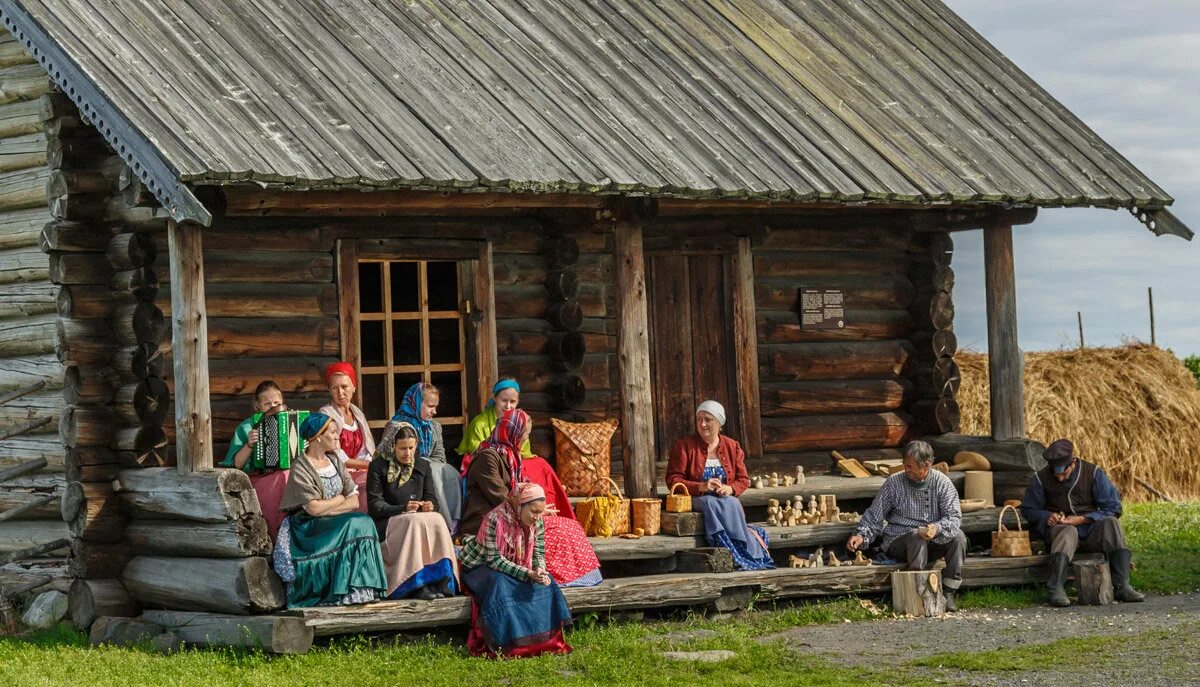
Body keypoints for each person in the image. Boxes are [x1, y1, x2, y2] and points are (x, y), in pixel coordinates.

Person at [461, 407, 601, 587]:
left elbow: (523, 488)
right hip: (490, 521)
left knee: (568, 526)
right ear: (513, 433)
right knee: (557, 529)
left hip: (516, 515)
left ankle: (581, 579)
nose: (526, 440)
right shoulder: (487, 458)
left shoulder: (512, 457)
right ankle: (553, 577)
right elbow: (501, 497)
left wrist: (537, 506)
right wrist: (531, 510)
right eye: (525, 435)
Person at [274, 413, 387, 608]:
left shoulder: (334, 460)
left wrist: (333, 505)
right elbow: (313, 508)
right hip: (307, 528)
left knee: (363, 520)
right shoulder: (301, 467)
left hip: (332, 520)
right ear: (318, 436)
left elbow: (354, 502)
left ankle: (360, 589)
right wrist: (339, 498)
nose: (337, 437)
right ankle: (341, 591)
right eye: (333, 433)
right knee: (354, 523)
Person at [1021, 438, 1145, 607]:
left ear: (1072, 463)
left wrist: (1083, 519)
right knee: (1068, 531)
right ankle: (1056, 587)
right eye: (1055, 473)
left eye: (1063, 473)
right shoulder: (1040, 478)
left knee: (1111, 523)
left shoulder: (1093, 473)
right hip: (1062, 534)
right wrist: (1046, 516)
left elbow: (1114, 507)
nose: (1059, 477)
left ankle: (1122, 586)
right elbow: (1028, 509)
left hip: (1090, 530)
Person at [847, 440, 965, 611]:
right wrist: (861, 536)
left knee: (959, 537)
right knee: (917, 536)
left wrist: (936, 528)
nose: (906, 469)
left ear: (926, 465)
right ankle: (916, 594)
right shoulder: (894, 483)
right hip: (899, 542)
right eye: (905, 465)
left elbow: (953, 517)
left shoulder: (942, 483)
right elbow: (874, 516)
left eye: (910, 466)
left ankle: (948, 592)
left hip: (932, 540)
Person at [458, 482, 572, 658]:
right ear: (519, 505)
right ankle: (510, 643)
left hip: (515, 565)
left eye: (540, 512)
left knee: (547, 582)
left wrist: (539, 569)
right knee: (501, 583)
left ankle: (544, 641)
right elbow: (494, 560)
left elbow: (539, 552)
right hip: (479, 567)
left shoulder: (537, 523)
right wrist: (527, 573)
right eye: (533, 511)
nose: (537, 517)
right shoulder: (494, 519)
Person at [666, 400, 773, 571]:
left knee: (733, 502)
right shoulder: (685, 446)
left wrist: (730, 489)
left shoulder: (732, 446)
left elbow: (743, 479)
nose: (702, 424)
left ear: (719, 423)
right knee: (710, 502)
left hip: (725, 498)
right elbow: (673, 479)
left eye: (708, 419)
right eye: (699, 419)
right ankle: (728, 547)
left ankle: (745, 549)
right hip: (697, 498)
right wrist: (700, 486)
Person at [367, 420, 459, 601]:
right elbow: (375, 505)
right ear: (392, 445)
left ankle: (440, 579)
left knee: (437, 518)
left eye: (411, 448)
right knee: (413, 521)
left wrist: (430, 505)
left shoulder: (422, 465)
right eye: (402, 448)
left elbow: (431, 497)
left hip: (414, 520)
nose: (408, 453)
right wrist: (402, 508)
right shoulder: (378, 466)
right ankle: (416, 583)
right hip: (387, 523)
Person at [220, 380, 293, 539]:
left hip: (285, 475)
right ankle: (277, 536)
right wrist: (249, 445)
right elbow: (236, 465)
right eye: (267, 403)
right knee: (283, 477)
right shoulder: (247, 427)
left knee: (289, 476)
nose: (273, 406)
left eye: (277, 402)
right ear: (257, 405)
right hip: (257, 478)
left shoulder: (289, 421)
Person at [391, 382, 461, 529]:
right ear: (416, 403)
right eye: (430, 406)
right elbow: (389, 456)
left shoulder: (435, 427)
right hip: (403, 472)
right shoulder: (396, 426)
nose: (434, 411)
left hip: (427, 467)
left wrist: (424, 463)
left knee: (451, 472)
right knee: (433, 471)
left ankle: (455, 522)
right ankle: (443, 524)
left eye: (435, 406)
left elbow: (440, 456)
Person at [318, 361, 373, 513]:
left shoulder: (357, 413)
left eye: (344, 387)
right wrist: (370, 466)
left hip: (361, 469)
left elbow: (366, 450)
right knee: (369, 485)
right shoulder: (326, 414)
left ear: (354, 387)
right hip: (338, 472)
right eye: (334, 388)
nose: (340, 393)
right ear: (329, 390)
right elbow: (337, 456)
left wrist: (372, 464)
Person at [457, 377, 533, 458]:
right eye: (504, 400)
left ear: (518, 402)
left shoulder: (520, 424)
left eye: (512, 401)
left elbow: (524, 454)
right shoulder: (479, 424)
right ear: (494, 397)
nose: (508, 406)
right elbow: (478, 454)